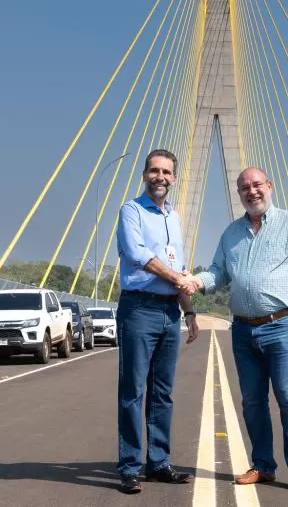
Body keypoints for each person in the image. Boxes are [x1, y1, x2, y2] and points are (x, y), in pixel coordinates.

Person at [188, 166, 288, 497]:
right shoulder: (231, 233)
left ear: (270, 186)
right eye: (245, 188)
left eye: (257, 185)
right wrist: (194, 281)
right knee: (252, 401)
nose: (252, 192)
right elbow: (218, 272)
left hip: (282, 326)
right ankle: (263, 465)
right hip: (243, 330)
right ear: (239, 194)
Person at [114, 148, 200, 495]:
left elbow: (178, 268)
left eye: (166, 172)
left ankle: (159, 463)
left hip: (169, 313)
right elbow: (138, 254)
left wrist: (189, 311)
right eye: (154, 171)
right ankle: (130, 467)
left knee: (162, 393)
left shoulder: (174, 218)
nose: (160, 177)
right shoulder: (131, 211)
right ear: (145, 174)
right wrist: (178, 279)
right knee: (133, 392)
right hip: (138, 309)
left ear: (174, 178)